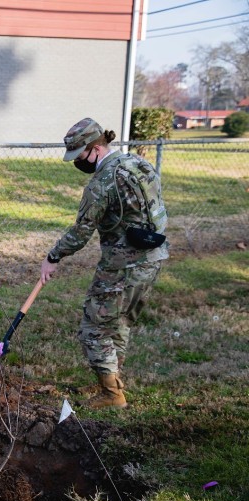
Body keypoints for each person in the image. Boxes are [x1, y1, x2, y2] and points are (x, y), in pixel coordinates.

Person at [40, 118, 168, 409]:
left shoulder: (102, 181)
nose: (79, 163)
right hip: (153, 257)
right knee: (120, 322)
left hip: (123, 264)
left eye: (80, 155)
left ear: (96, 148)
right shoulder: (138, 164)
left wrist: (53, 256)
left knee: (94, 327)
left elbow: (82, 230)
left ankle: (112, 394)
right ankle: (112, 379)